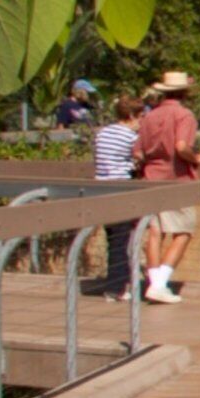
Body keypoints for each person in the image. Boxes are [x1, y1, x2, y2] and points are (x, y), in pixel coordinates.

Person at [131, 71, 200, 305]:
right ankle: (159, 284)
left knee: (155, 232)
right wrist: (196, 158)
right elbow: (181, 146)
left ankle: (153, 283)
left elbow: (138, 152)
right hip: (176, 180)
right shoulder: (184, 115)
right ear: (185, 93)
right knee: (183, 232)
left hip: (150, 179)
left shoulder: (149, 116)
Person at [87, 93, 141, 298]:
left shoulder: (103, 133)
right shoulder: (130, 137)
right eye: (141, 118)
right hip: (120, 188)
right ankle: (117, 287)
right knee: (121, 239)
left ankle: (115, 283)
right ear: (132, 116)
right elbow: (140, 156)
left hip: (101, 189)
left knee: (112, 238)